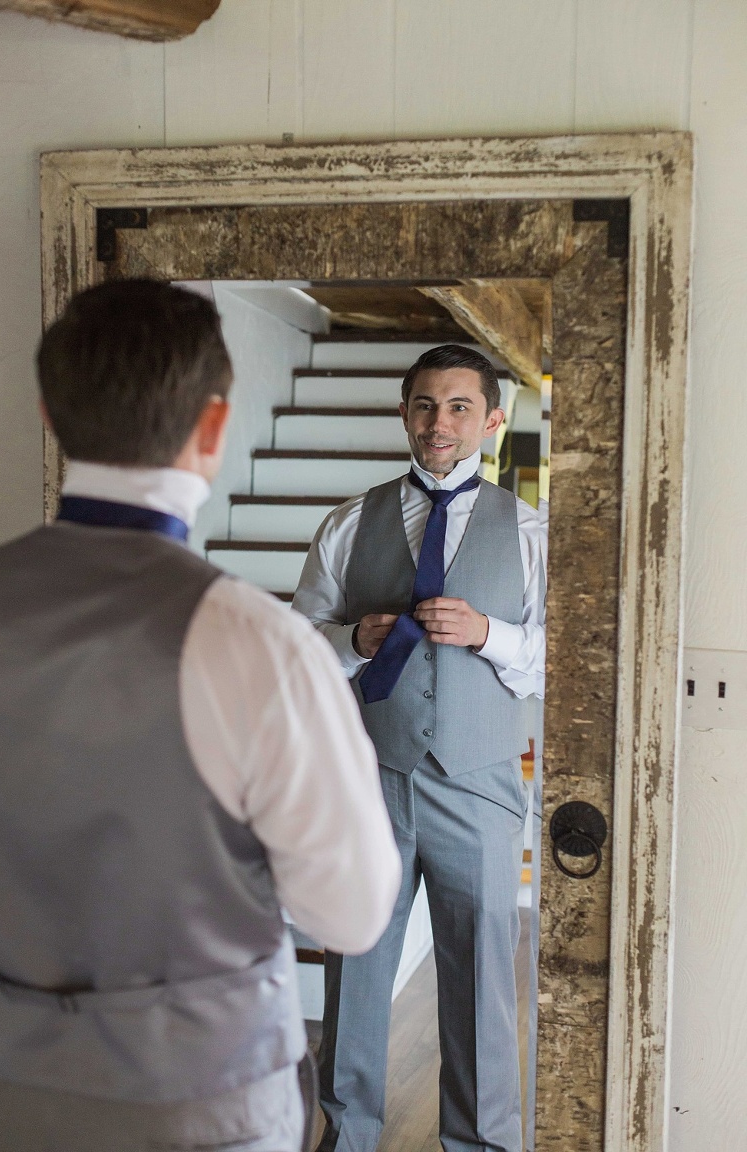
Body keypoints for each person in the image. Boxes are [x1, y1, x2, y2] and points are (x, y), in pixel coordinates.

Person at [0, 280, 401, 1152]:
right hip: (202, 1104)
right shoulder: (265, 647)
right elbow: (352, 914)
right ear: (214, 429)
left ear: (49, 414)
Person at [293, 344, 545, 1152]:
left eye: (460, 406)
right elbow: (296, 649)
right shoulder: (345, 525)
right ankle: (348, 1138)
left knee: (480, 989)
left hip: (478, 785)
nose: (441, 423)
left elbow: (568, 653)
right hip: (369, 780)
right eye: (425, 406)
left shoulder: (533, 532)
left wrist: (490, 634)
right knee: (357, 975)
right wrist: (351, 639)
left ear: (492, 420)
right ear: (404, 413)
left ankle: (483, 1145)